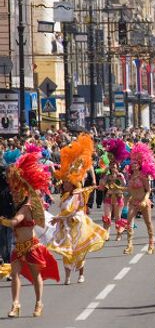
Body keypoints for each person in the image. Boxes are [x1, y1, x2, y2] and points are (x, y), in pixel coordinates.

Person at [1, 152, 60, 317]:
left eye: (12, 183)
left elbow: (15, 221)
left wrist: (3, 221)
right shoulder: (13, 202)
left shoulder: (27, 204)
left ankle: (39, 302)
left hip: (31, 246)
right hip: (18, 246)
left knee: (36, 277)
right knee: (15, 275)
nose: (11, 190)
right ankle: (15, 305)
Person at [49, 134, 108, 285]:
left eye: (67, 182)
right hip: (65, 226)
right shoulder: (64, 196)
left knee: (79, 252)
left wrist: (58, 218)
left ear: (73, 184)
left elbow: (73, 210)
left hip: (77, 224)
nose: (64, 184)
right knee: (66, 252)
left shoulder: (78, 194)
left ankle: (81, 273)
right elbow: (64, 210)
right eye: (65, 182)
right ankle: (68, 276)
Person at [123, 143, 155, 255]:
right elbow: (128, 190)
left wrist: (144, 200)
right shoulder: (130, 176)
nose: (133, 165)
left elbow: (148, 190)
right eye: (132, 164)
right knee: (128, 222)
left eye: (136, 164)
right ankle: (129, 245)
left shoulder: (143, 176)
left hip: (144, 201)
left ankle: (151, 244)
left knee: (148, 222)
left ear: (140, 164)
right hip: (133, 202)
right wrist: (115, 188)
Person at [98, 138, 129, 241]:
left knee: (118, 218)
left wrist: (121, 179)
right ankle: (106, 234)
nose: (112, 167)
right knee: (107, 217)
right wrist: (103, 176)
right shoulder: (107, 176)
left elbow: (125, 186)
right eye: (111, 165)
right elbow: (101, 187)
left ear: (117, 166)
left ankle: (119, 233)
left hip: (119, 198)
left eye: (114, 165)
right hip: (108, 198)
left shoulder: (121, 175)